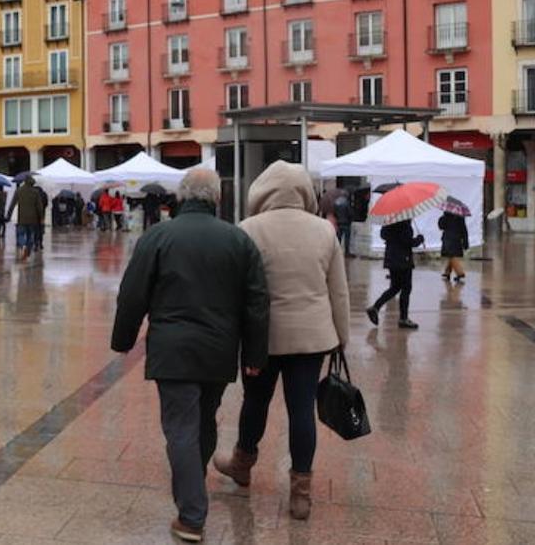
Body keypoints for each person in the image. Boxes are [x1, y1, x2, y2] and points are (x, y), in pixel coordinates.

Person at [111, 168, 269, 543]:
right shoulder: (238, 240)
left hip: (173, 349)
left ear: (182, 196)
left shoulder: (158, 236)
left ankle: (192, 515)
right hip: (219, 350)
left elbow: (132, 293)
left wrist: (123, 339)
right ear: (217, 198)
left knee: (181, 428)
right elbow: (257, 302)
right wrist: (255, 353)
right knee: (204, 421)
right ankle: (191, 486)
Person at [213, 161, 348, 521]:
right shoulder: (324, 230)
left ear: (262, 191)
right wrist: (342, 338)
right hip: (312, 337)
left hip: (262, 339)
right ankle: (300, 494)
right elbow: (339, 292)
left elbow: (232, 291)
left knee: (254, 402)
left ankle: (242, 463)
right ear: (304, 192)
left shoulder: (247, 230)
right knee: (301, 410)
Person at [367, 218, 424, 330]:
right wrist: (419, 239)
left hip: (391, 259)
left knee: (395, 287)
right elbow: (408, 242)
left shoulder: (389, 220)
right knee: (406, 288)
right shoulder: (404, 223)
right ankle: (403, 318)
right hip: (403, 260)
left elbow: (383, 235)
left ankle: (375, 307)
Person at [6, 177, 43, 261]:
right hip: (33, 219)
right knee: (30, 236)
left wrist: (8, 215)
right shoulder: (36, 192)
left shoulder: (19, 190)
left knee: (20, 234)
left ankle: (23, 246)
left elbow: (12, 204)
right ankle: (27, 250)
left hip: (21, 218)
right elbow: (39, 207)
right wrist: (41, 217)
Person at [438, 210, 468, 282]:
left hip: (448, 239)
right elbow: (464, 229)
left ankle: (460, 272)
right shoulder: (460, 217)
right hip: (457, 239)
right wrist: (465, 241)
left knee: (451, 256)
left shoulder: (445, 217)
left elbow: (441, 226)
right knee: (451, 255)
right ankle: (447, 272)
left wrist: (443, 217)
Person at [332, 188, 353, 257]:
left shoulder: (336, 202)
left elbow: (334, 213)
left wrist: (337, 218)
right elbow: (350, 213)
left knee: (338, 238)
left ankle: (336, 251)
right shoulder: (346, 203)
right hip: (346, 223)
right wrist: (350, 219)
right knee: (347, 239)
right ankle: (347, 252)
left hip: (339, 222)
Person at [35, 184, 49, 250]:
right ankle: (40, 243)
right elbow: (46, 204)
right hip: (42, 214)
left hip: (34, 214)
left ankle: (35, 243)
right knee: (41, 228)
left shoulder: (34, 194)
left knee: (35, 228)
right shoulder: (44, 194)